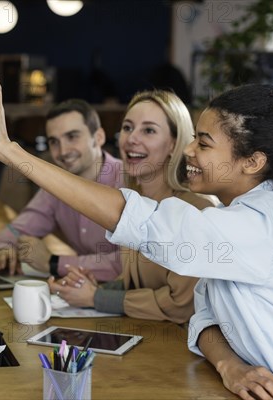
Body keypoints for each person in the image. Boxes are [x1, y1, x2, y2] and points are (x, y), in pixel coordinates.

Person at [0, 76, 273, 399]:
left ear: (253, 161)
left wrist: (11, 152)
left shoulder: (263, 224)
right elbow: (203, 319)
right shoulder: (233, 221)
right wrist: (230, 366)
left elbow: (144, 224)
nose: (188, 149)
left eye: (203, 143)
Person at [48, 90, 214, 324]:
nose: (131, 138)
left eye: (148, 130)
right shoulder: (133, 201)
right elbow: (140, 281)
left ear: (174, 144)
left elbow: (182, 305)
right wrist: (92, 288)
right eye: (127, 128)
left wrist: (97, 297)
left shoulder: (195, 209)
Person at [0, 99, 123, 282]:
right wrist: (5, 248)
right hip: (83, 293)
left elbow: (127, 264)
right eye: (54, 142)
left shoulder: (127, 181)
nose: (63, 151)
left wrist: (53, 263)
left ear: (98, 137)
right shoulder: (56, 185)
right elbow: (16, 231)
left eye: (72, 137)